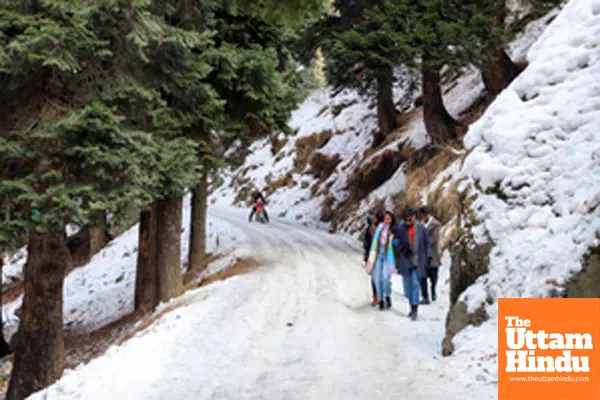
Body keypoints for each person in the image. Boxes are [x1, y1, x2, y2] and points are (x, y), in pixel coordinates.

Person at [393, 207, 431, 321]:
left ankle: (415, 309)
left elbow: (427, 243)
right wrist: (400, 247)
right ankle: (411, 306)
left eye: (411, 219)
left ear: (414, 217)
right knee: (408, 288)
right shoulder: (400, 228)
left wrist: (428, 256)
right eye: (407, 219)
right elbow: (394, 241)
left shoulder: (421, 228)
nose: (409, 221)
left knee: (415, 284)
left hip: (418, 259)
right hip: (405, 259)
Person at [365, 211, 397, 310]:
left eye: (389, 219)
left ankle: (387, 295)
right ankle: (381, 299)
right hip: (378, 254)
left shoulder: (394, 230)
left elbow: (399, 242)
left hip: (388, 255)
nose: (387, 221)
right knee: (377, 278)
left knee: (385, 278)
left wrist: (395, 242)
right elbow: (371, 232)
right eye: (385, 218)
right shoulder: (379, 228)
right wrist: (371, 224)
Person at [418, 206, 442, 304]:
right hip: (422, 255)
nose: (422, 217)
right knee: (422, 277)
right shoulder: (420, 225)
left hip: (432, 254)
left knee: (433, 277)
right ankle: (425, 296)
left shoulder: (436, 224)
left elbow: (434, 239)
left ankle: (433, 291)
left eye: (424, 215)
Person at [363, 210, 383, 307]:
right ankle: (376, 297)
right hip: (372, 255)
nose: (372, 219)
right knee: (374, 277)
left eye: (374, 217)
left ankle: (381, 297)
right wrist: (366, 256)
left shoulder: (382, 228)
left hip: (381, 255)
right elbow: (366, 243)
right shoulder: (369, 228)